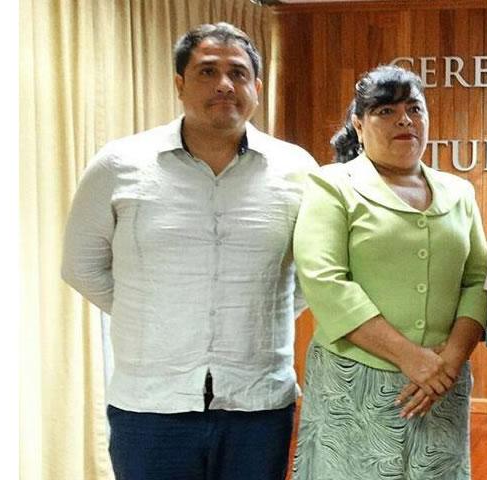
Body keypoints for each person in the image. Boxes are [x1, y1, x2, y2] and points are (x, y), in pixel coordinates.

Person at [61, 22, 317, 480]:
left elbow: (312, 274)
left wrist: (264, 310)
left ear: (256, 87)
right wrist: (151, 313)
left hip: (258, 405)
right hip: (149, 405)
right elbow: (81, 266)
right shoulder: (120, 164)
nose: (224, 84)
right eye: (206, 71)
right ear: (179, 83)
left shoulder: (297, 170)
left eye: (238, 73)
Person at [291, 65, 487, 480]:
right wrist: (409, 357)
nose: (404, 119)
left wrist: (448, 362)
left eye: (414, 109)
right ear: (358, 125)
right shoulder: (332, 186)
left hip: (440, 386)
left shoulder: (459, 192)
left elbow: (478, 281)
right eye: (385, 110)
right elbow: (325, 281)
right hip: (354, 384)